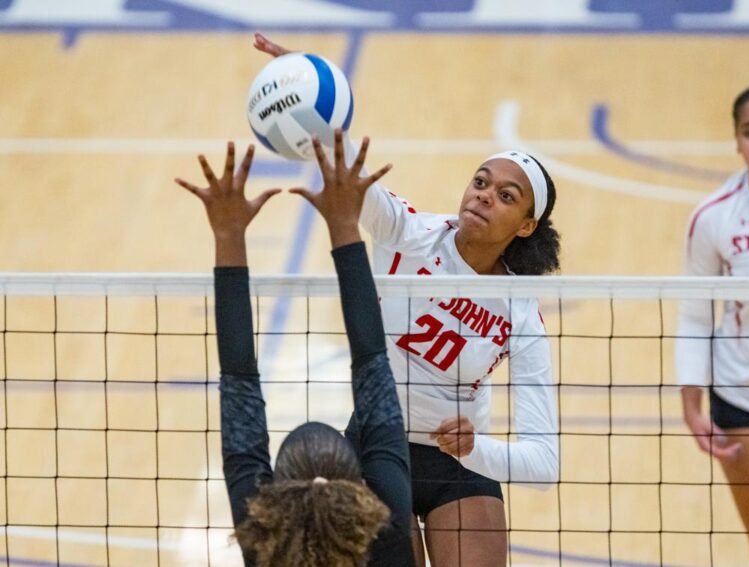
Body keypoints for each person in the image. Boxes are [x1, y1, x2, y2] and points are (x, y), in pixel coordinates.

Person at [253, 33, 559, 567]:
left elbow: (544, 461)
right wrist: (306, 98)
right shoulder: (411, 235)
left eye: (506, 196)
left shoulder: (520, 313)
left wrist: (475, 450)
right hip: (375, 446)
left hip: (458, 464)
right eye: (481, 181)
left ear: (526, 225)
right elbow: (354, 183)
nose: (485, 194)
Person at [175, 137, 416, 566]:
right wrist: (344, 225)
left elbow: (371, 363)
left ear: (276, 499)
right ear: (361, 488)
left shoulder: (273, 544)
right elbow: (239, 381)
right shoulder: (385, 534)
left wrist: (228, 234)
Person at [676, 84, 749, 565]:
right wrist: (692, 404)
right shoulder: (713, 217)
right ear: (736, 141)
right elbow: (694, 314)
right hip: (742, 396)